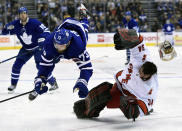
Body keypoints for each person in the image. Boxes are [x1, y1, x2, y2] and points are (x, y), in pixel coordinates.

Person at [73, 29, 158, 121]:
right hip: (119, 85)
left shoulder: (149, 89)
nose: (139, 73)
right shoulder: (142, 59)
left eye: (142, 74)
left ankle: (93, 107)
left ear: (147, 76)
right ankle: (86, 107)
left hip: (127, 96)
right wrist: (132, 36)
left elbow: (146, 105)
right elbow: (139, 42)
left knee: (112, 101)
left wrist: (136, 111)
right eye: (140, 70)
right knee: (102, 91)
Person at [30, 4, 93, 100]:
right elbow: (44, 67)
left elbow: (87, 68)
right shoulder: (49, 44)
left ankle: (83, 13)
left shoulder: (79, 46)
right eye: (56, 44)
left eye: (61, 46)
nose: (58, 48)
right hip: (63, 26)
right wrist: (40, 80)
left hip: (78, 29)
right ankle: (67, 18)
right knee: (52, 57)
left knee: (84, 24)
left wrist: (82, 82)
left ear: (68, 43)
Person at [2, 7, 58, 97]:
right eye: (21, 13)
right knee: (17, 65)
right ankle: (13, 84)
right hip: (25, 49)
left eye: (24, 13)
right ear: (19, 15)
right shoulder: (15, 24)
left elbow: (46, 31)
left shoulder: (34, 23)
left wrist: (42, 38)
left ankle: (53, 83)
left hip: (37, 48)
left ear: (27, 14)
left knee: (40, 67)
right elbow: (6, 32)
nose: (23, 15)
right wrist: (5, 28)